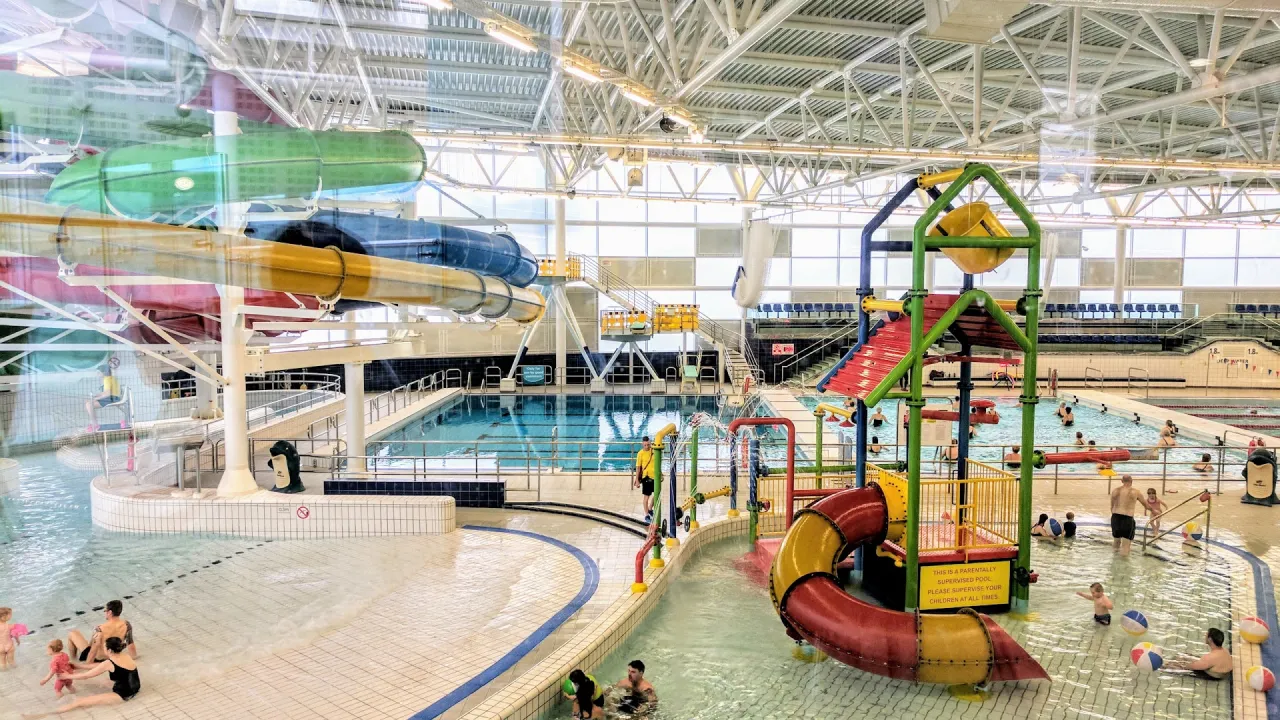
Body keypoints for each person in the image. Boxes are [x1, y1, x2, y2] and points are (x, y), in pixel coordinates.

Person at [34, 636, 140, 715]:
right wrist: (78, 666)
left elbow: (86, 676)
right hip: (135, 687)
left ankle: (46, 714)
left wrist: (67, 676)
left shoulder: (108, 663)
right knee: (102, 683)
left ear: (109, 650)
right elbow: (99, 665)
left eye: (104, 647)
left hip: (123, 695)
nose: (103, 649)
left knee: (79, 701)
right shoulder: (124, 655)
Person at [66, 600, 135, 665]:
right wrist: (133, 659)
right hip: (112, 656)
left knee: (72, 633)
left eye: (105, 611)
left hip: (97, 659)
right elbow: (131, 647)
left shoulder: (100, 629)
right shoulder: (127, 625)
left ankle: (73, 659)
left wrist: (86, 665)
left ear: (110, 612)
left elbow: (92, 651)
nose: (105, 613)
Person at [1166, 628, 1232, 680]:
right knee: (1185, 656)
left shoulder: (1210, 657)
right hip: (1223, 672)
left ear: (1210, 639)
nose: (1204, 636)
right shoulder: (1225, 651)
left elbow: (1190, 667)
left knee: (1173, 667)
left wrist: (1176, 664)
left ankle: (1163, 668)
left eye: (1206, 635)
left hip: (1215, 675)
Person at [1110, 475, 1145, 556]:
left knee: (1116, 542)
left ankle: (1114, 560)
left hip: (1115, 517)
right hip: (1127, 518)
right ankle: (1124, 566)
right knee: (1126, 545)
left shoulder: (1115, 490)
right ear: (1131, 481)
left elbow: (1111, 507)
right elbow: (1145, 505)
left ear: (1121, 481)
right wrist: (1153, 510)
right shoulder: (1136, 491)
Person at [85, 363, 122, 431]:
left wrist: (95, 399)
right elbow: (106, 392)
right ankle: (95, 424)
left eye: (99, 373)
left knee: (89, 405)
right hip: (114, 397)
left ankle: (95, 424)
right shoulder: (110, 378)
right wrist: (95, 396)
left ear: (104, 372)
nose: (97, 374)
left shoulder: (107, 379)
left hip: (112, 398)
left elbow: (108, 394)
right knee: (89, 403)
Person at [633, 437, 656, 520]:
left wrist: (660, 474)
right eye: (645, 445)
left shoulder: (654, 451)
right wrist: (637, 480)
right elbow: (638, 467)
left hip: (655, 476)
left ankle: (650, 508)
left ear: (650, 443)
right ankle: (646, 515)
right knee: (646, 497)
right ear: (642, 444)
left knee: (657, 494)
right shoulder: (640, 453)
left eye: (648, 444)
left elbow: (658, 463)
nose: (647, 446)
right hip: (646, 477)